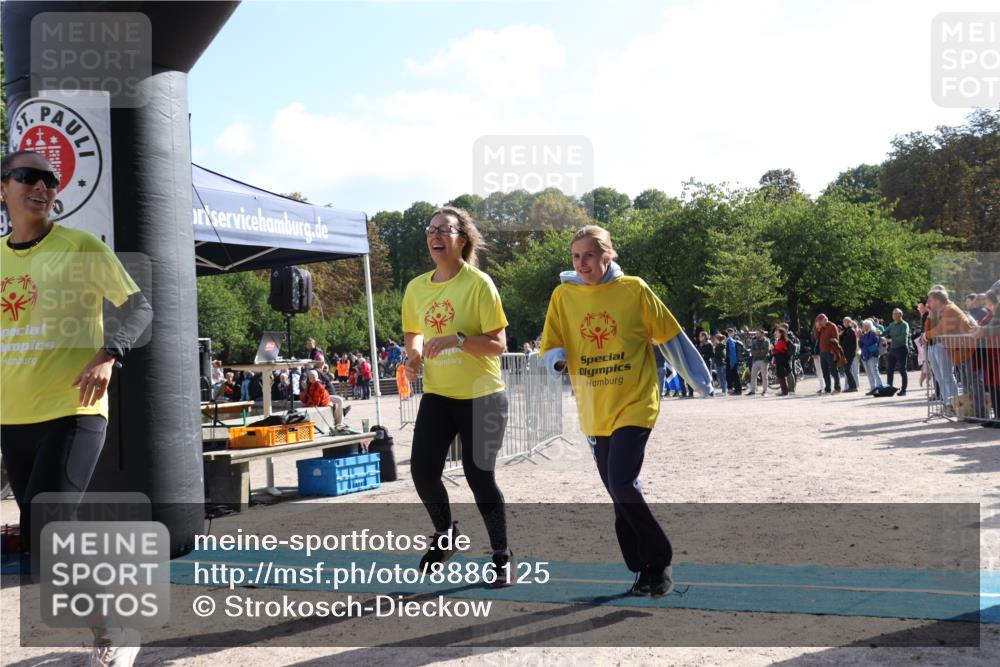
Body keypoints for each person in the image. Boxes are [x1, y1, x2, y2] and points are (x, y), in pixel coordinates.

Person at [1, 150, 153, 666]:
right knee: (46, 547)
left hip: (74, 408)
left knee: (52, 524)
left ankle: (114, 632)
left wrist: (110, 354)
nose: (42, 186)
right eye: (28, 177)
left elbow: (138, 307)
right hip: (12, 417)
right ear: (4, 188)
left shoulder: (81, 246)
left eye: (50, 178)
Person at [540, 225, 712, 599]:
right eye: (576, 256)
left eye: (589, 255)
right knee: (619, 491)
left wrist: (700, 380)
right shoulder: (563, 295)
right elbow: (551, 342)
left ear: (607, 256)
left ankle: (660, 558)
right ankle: (644, 570)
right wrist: (556, 362)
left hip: (636, 401)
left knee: (620, 482)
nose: (582, 263)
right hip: (594, 407)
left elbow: (671, 338)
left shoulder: (634, 289)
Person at [401, 206, 513, 586]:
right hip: (439, 394)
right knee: (422, 472)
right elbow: (412, 331)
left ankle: (501, 554)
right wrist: (413, 355)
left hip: (483, 395)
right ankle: (446, 533)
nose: (435, 235)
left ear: (461, 239)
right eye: (430, 229)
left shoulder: (479, 283)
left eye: (444, 229)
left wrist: (459, 340)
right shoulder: (416, 288)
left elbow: (498, 344)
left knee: (478, 475)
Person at [813, 314, 841, 394]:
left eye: (819, 321)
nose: (818, 323)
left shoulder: (832, 326)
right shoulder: (821, 328)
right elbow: (817, 338)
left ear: (823, 320)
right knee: (825, 371)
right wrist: (817, 329)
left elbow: (836, 339)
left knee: (834, 370)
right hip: (823, 352)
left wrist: (833, 350)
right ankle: (827, 388)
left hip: (830, 351)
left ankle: (837, 388)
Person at [859, 319, 883, 393]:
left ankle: (880, 388)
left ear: (867, 326)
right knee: (869, 373)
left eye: (863, 326)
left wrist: (861, 337)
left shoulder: (873, 333)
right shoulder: (866, 334)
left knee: (875, 372)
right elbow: (861, 344)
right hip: (866, 356)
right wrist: (861, 337)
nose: (862, 327)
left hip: (872, 355)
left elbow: (868, 342)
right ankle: (873, 389)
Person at [747, 329, 772, 396]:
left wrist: (757, 352)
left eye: (758, 333)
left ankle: (764, 391)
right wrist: (759, 352)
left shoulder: (767, 341)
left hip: (764, 361)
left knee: (764, 376)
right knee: (753, 376)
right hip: (755, 360)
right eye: (756, 333)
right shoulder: (754, 341)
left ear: (762, 334)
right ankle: (752, 391)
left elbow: (765, 351)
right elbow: (752, 351)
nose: (756, 335)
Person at [840, 317, 860, 392]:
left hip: (849, 353)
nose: (843, 323)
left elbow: (848, 343)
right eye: (843, 322)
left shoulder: (850, 330)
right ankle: (851, 386)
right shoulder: (846, 330)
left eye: (845, 322)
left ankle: (853, 386)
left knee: (847, 369)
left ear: (848, 322)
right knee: (847, 369)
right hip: (847, 352)